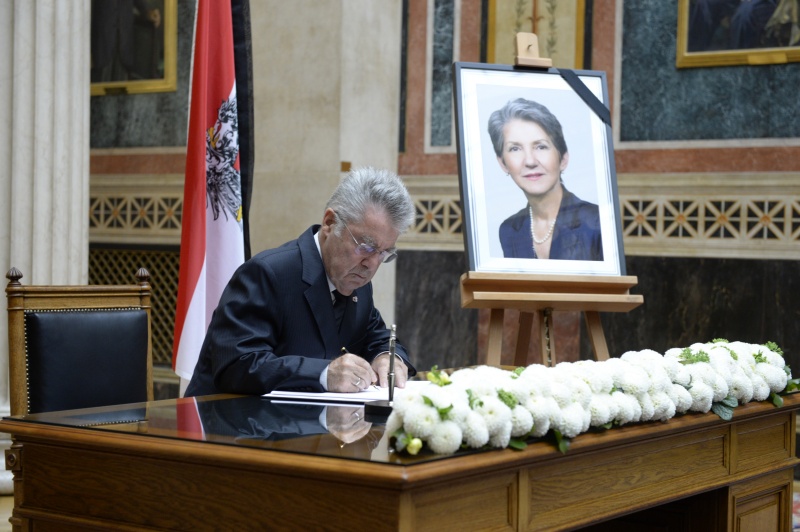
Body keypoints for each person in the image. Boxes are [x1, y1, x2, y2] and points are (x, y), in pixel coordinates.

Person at [185, 167, 416, 397]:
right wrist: (323, 374)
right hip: (225, 426)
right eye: (366, 247)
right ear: (329, 223)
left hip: (311, 427)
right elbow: (236, 364)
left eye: (384, 253)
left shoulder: (357, 281)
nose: (372, 264)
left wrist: (388, 356)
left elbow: (376, 335)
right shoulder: (268, 273)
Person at [487, 98, 603, 261]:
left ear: (563, 158)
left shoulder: (598, 222)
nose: (530, 161)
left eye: (541, 146)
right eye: (515, 148)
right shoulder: (509, 231)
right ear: (503, 163)